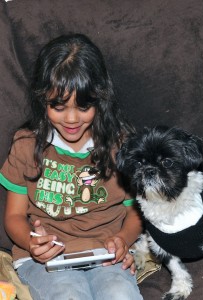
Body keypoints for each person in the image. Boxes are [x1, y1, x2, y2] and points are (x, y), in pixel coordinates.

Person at [0, 33, 143, 300]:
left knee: (120, 294)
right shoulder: (26, 145)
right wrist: (33, 243)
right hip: (45, 260)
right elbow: (14, 217)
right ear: (42, 100)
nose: (72, 119)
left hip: (106, 252)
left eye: (84, 106)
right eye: (58, 106)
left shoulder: (120, 146)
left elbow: (135, 211)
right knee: (69, 294)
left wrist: (123, 238)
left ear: (100, 99)